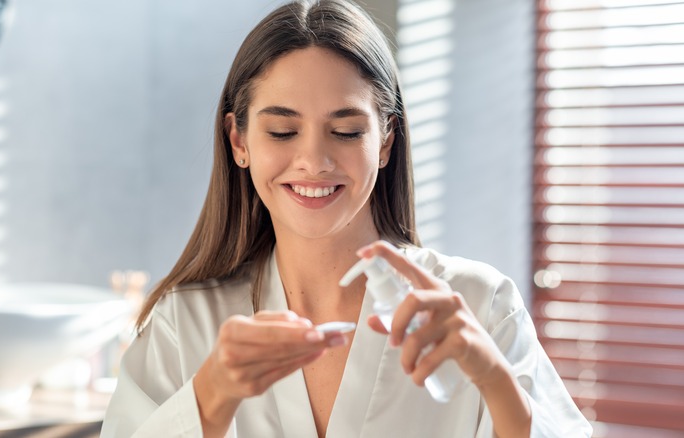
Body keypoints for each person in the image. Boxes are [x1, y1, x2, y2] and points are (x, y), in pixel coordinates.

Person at [100, 1, 592, 437]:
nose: (314, 160)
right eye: (283, 130)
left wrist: (493, 379)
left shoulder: (480, 306)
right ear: (239, 141)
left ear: (385, 141)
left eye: (346, 130)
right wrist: (210, 396)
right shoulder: (183, 324)